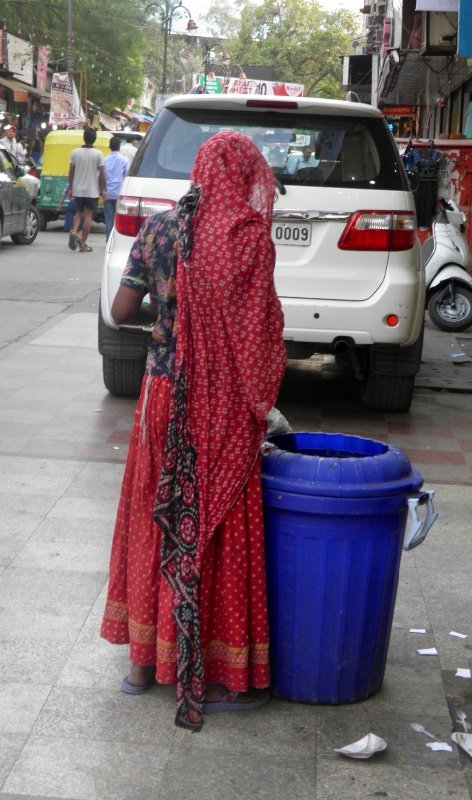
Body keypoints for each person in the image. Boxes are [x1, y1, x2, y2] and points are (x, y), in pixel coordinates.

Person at [100, 131, 286, 731]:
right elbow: (259, 336)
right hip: (223, 406)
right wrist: (263, 403)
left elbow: (120, 312)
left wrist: (172, 312)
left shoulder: (159, 230)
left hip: (161, 394)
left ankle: (143, 664)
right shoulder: (247, 239)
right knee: (221, 524)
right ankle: (222, 670)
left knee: (159, 510)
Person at [67, 127, 106, 253]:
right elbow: (102, 174)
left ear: (84, 137)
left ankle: (74, 231)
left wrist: (70, 187)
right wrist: (103, 189)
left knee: (78, 213)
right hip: (91, 190)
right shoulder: (98, 154)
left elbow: (71, 172)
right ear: (94, 139)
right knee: (88, 215)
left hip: (78, 189)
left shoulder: (75, 152)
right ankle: (83, 244)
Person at [103, 136, 128, 240]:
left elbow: (100, 176)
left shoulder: (105, 159)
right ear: (119, 147)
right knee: (117, 218)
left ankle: (109, 239)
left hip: (107, 192)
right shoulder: (124, 159)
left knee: (108, 217)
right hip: (119, 192)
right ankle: (115, 240)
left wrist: (102, 190)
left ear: (109, 146)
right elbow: (126, 175)